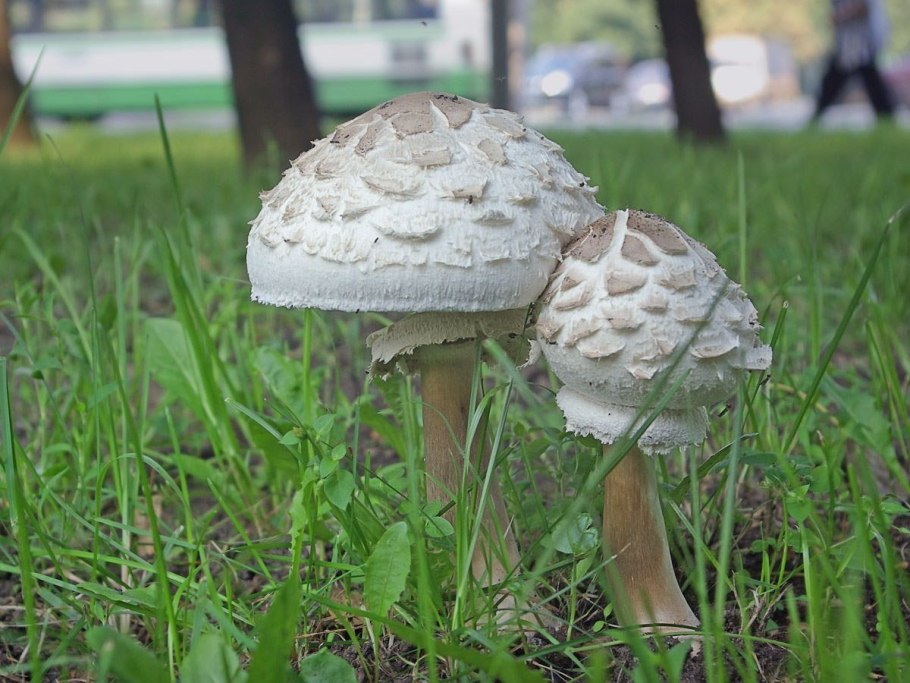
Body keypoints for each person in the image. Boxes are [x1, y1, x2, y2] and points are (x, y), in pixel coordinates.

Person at [811, 0, 895, 122]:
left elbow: (863, 7)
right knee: (836, 81)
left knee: (837, 81)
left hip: (858, 45)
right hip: (848, 45)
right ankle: (887, 117)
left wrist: (841, 15)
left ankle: (887, 117)